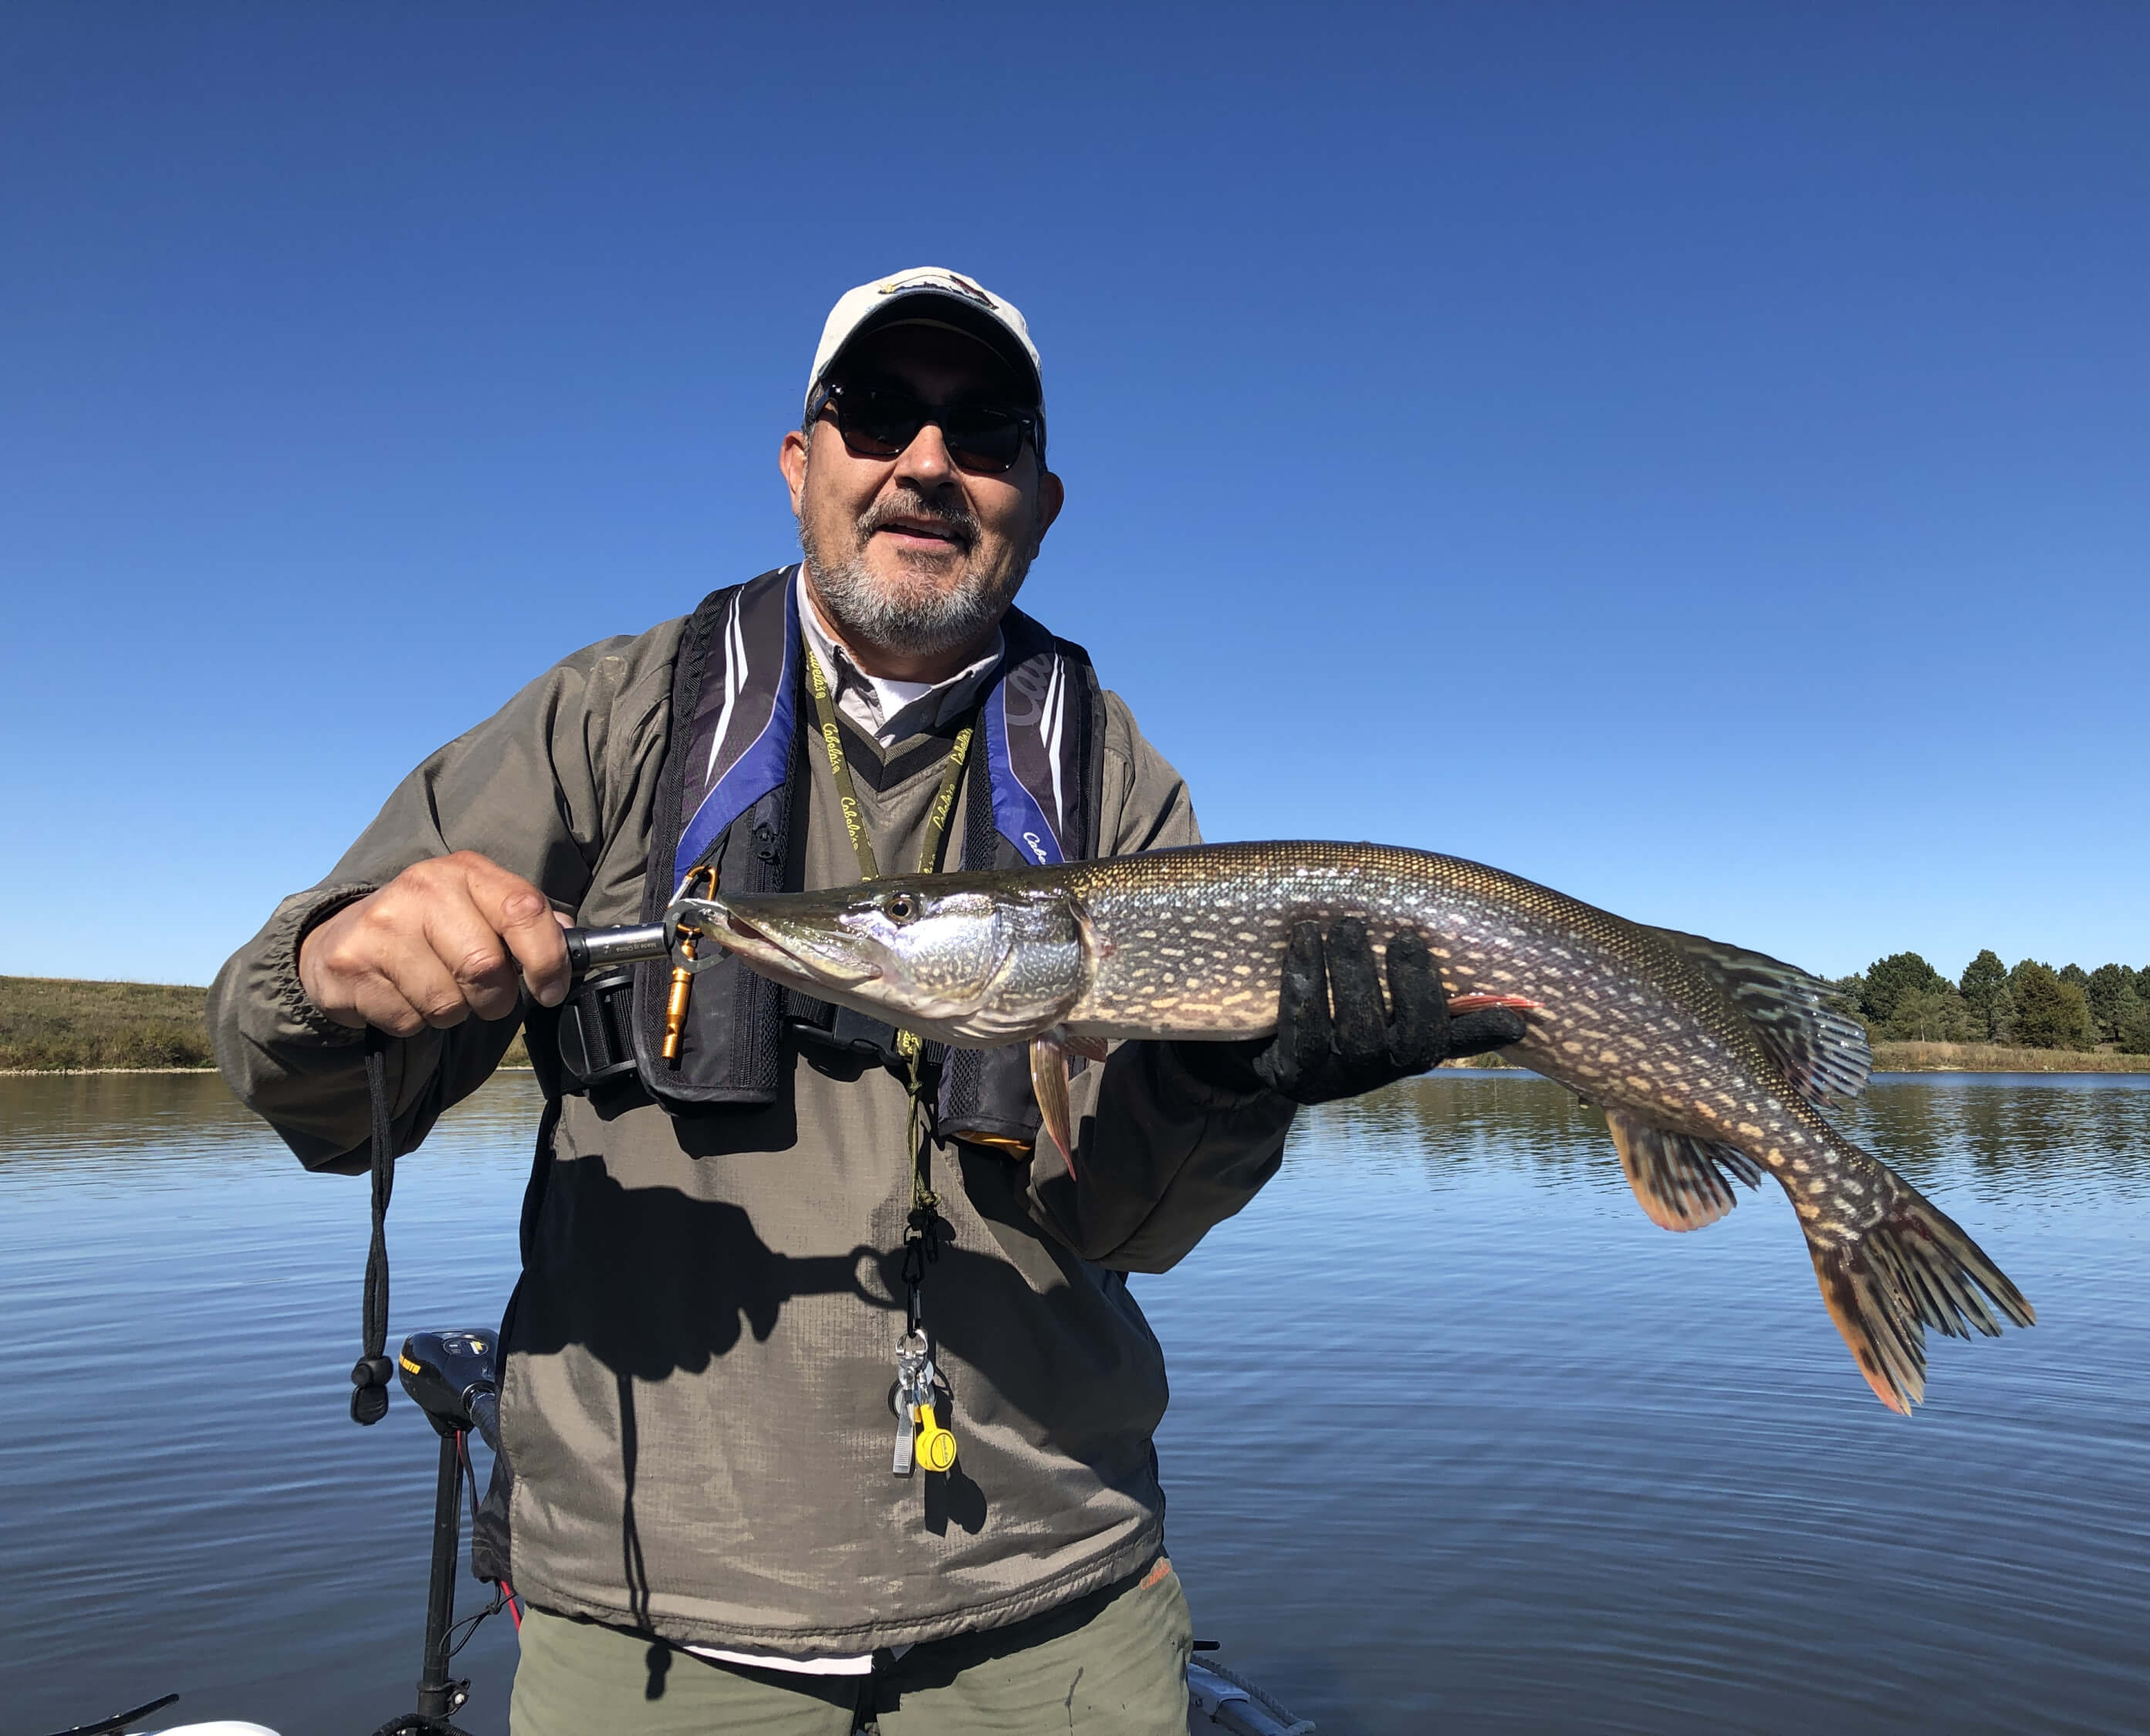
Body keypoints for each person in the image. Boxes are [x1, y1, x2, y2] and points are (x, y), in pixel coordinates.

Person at [209, 266, 1519, 1735]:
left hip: (1055, 1602)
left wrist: (1237, 1083)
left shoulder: (1115, 776)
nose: (927, 464)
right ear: (799, 465)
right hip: (662, 1615)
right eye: (879, 412)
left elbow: (1132, 1224)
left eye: (986, 433)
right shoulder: (610, 717)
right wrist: (329, 979)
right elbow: (311, 1101)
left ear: (1041, 499)